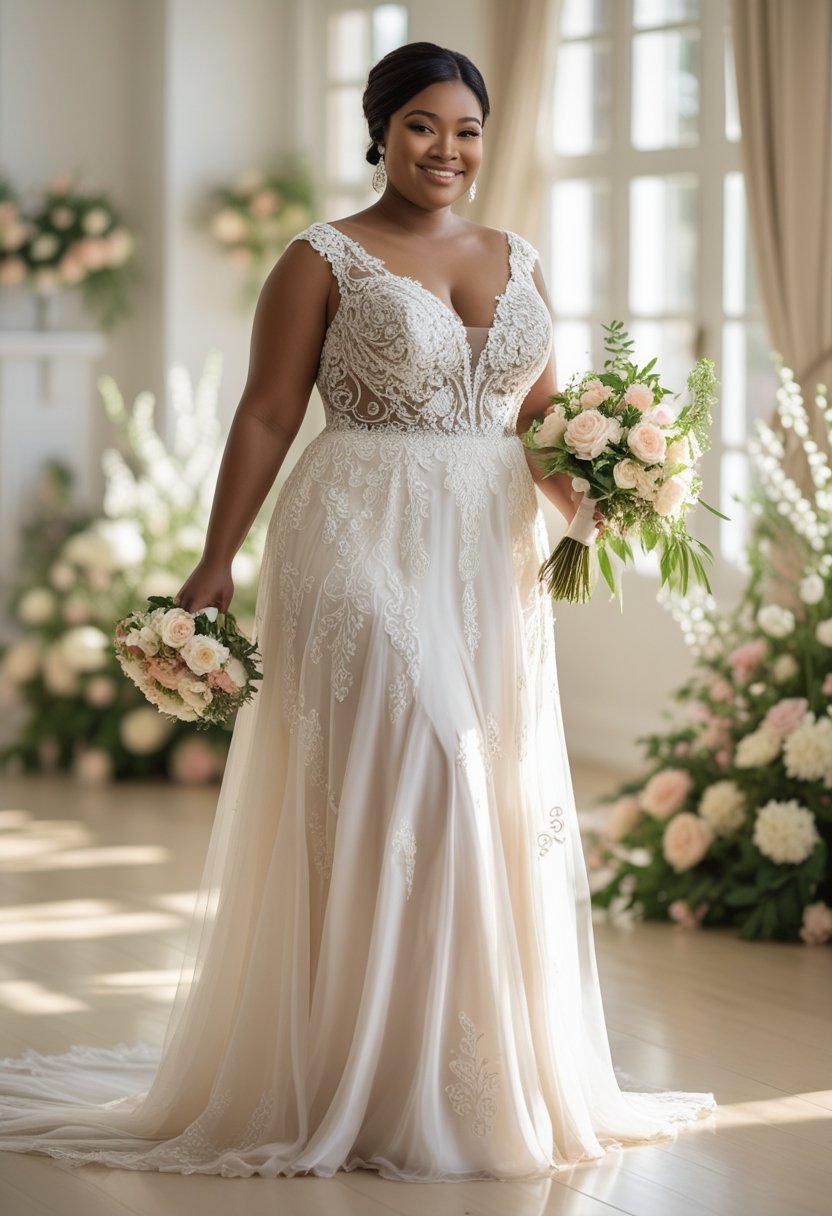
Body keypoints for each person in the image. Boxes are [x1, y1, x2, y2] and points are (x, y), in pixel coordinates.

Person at [0, 41, 714, 1183]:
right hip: (356, 532)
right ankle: (354, 1076)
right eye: (423, 125)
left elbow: (539, 420)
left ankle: (442, 1071)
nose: (448, 148)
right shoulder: (319, 257)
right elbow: (267, 412)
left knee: (484, 793)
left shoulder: (517, 254)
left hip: (488, 555)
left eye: (467, 128)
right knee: (419, 770)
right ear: (379, 130)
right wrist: (212, 560)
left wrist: (607, 486)